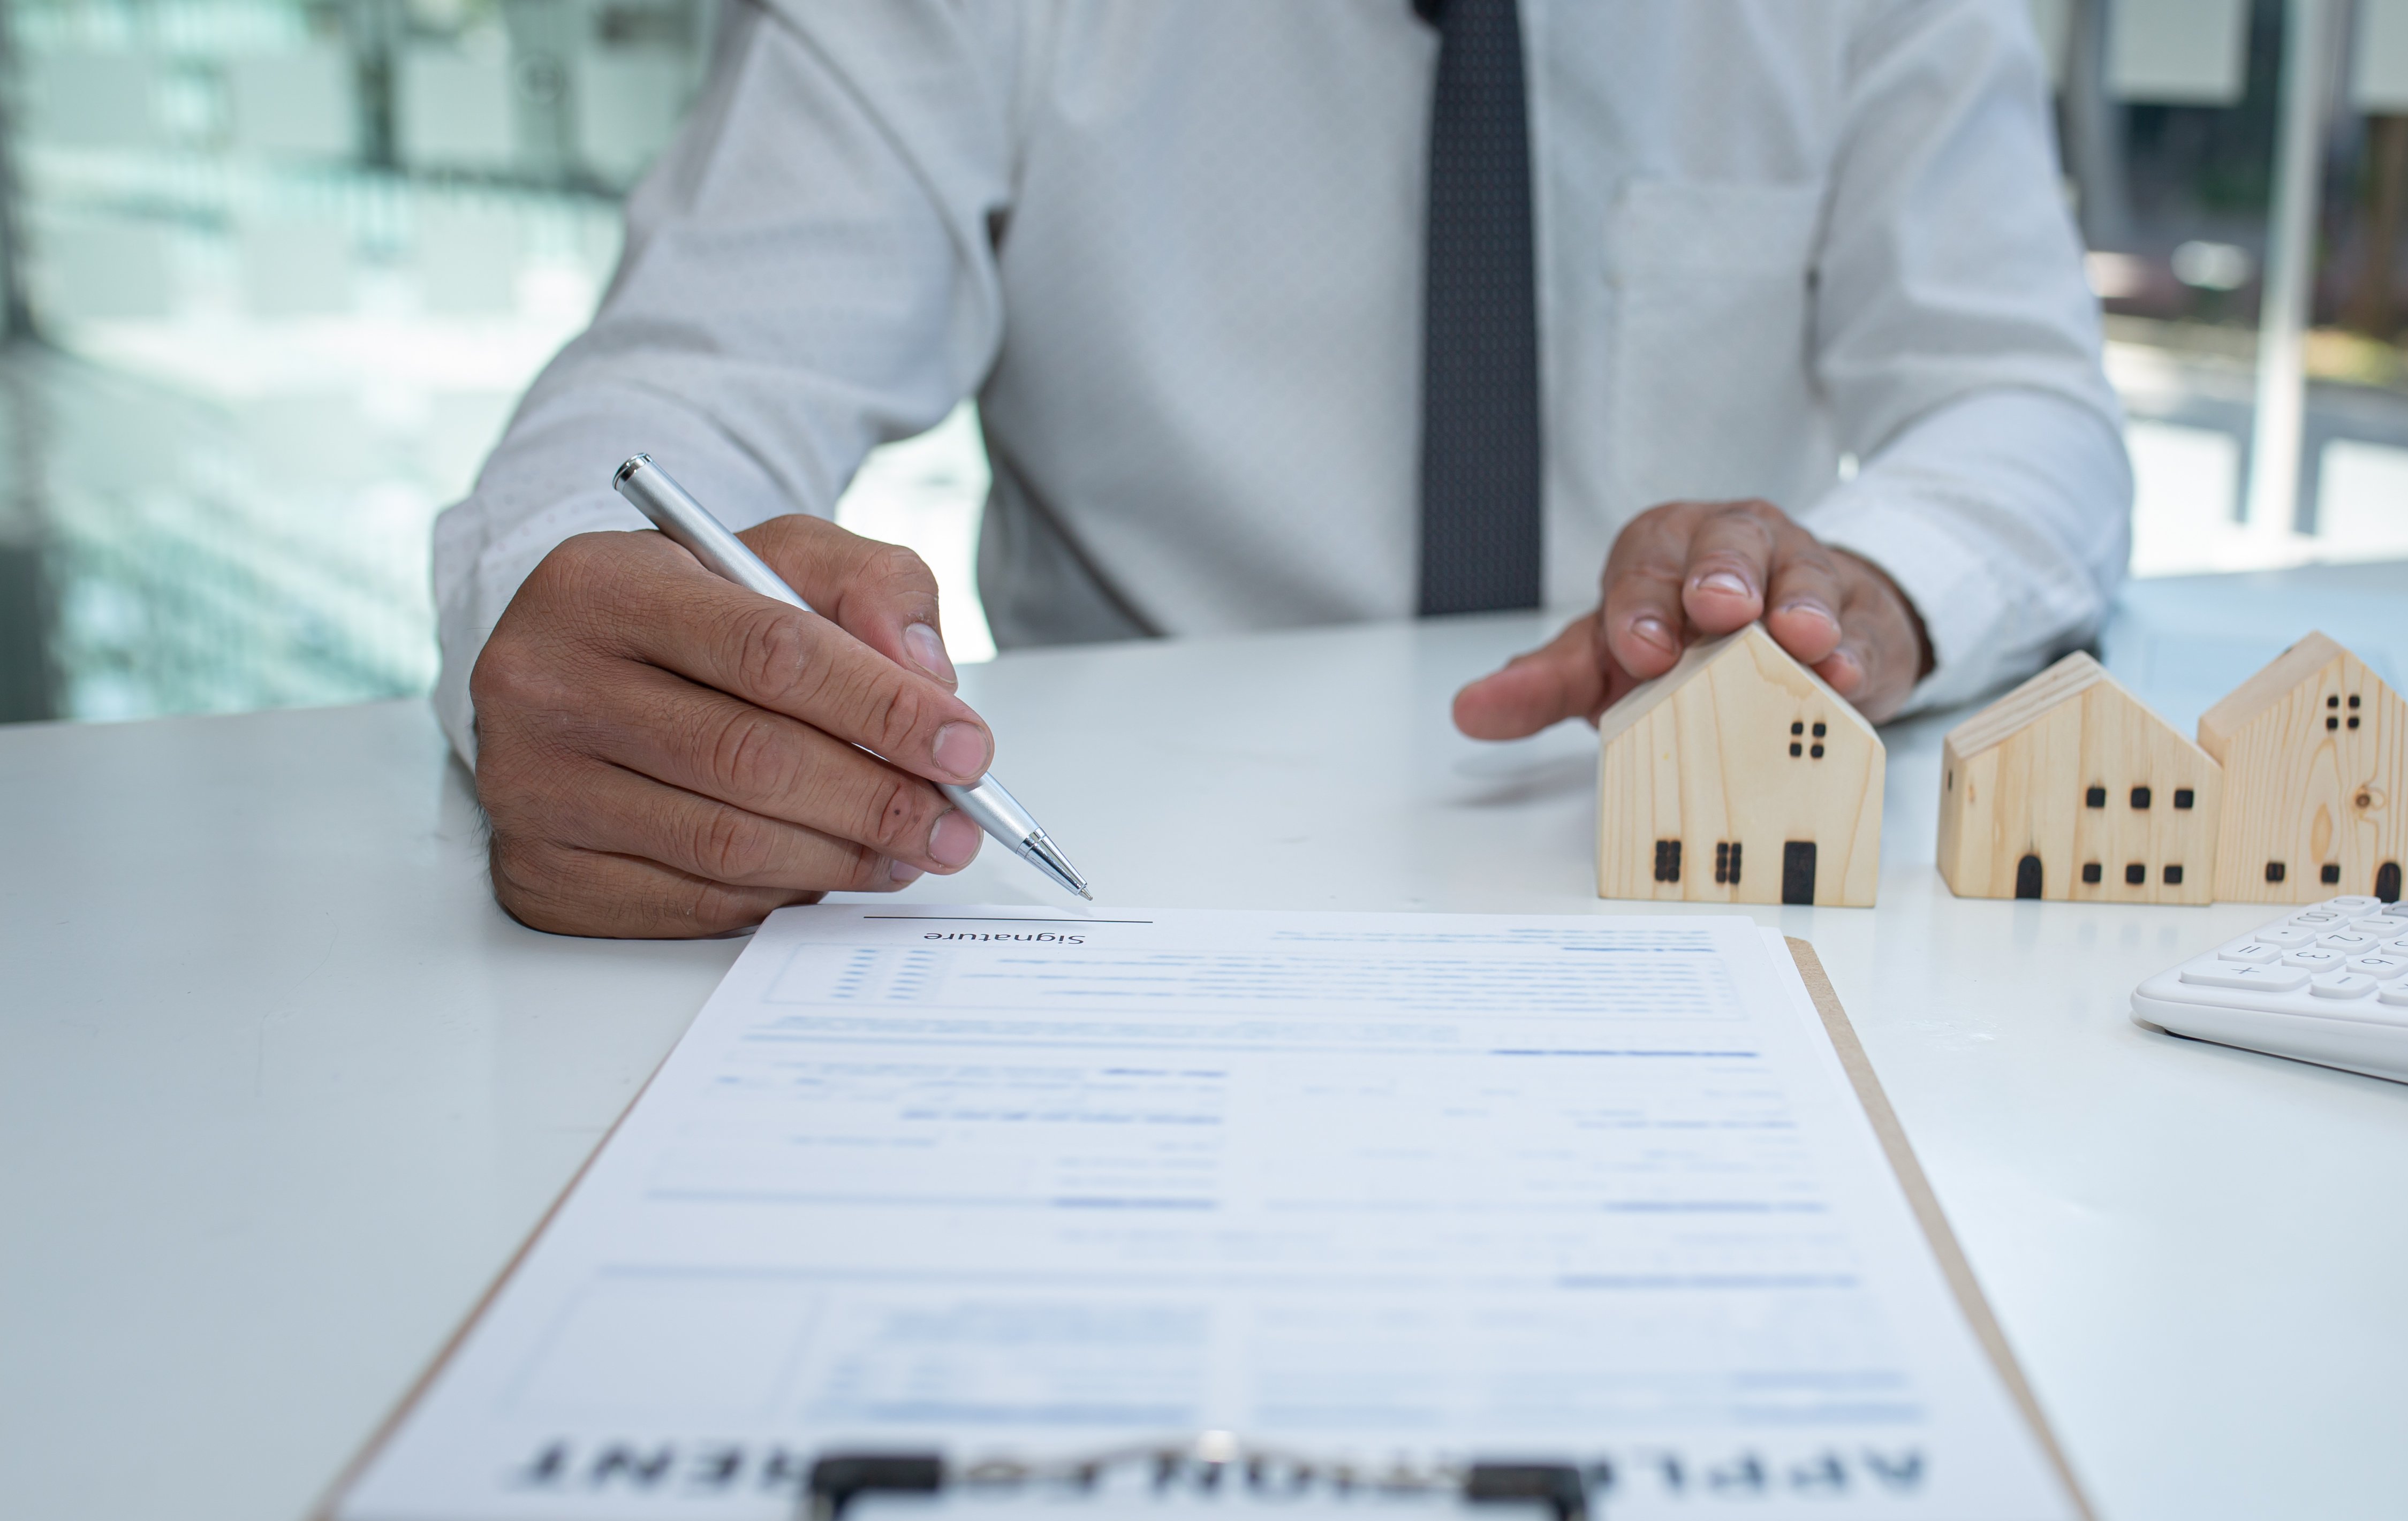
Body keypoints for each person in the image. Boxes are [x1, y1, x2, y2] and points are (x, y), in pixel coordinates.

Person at [440, 0, 2130, 937]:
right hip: (1127, 897)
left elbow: (2027, 403)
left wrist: (1875, 587)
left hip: (1673, 891)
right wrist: (586, 603)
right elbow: (690, 381)